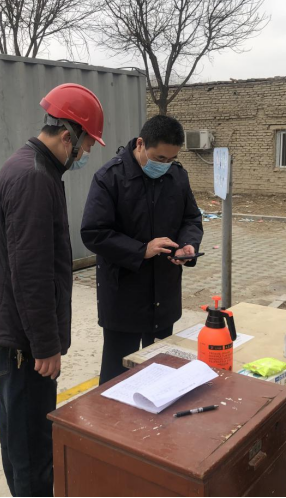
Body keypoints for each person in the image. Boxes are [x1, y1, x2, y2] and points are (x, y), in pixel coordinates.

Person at [0, 83, 105, 498]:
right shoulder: (33, 177)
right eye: (86, 145)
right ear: (67, 137)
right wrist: (45, 345)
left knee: (18, 433)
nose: (85, 153)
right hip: (22, 342)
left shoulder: (33, 168)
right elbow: (31, 273)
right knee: (31, 446)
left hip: (12, 332)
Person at [81, 115, 204, 385]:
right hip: (124, 294)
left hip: (164, 292)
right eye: (160, 158)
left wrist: (188, 244)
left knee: (161, 373)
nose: (165, 165)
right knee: (117, 375)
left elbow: (191, 219)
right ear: (140, 144)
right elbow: (94, 232)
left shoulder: (177, 176)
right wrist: (141, 250)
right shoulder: (110, 178)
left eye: (171, 159)